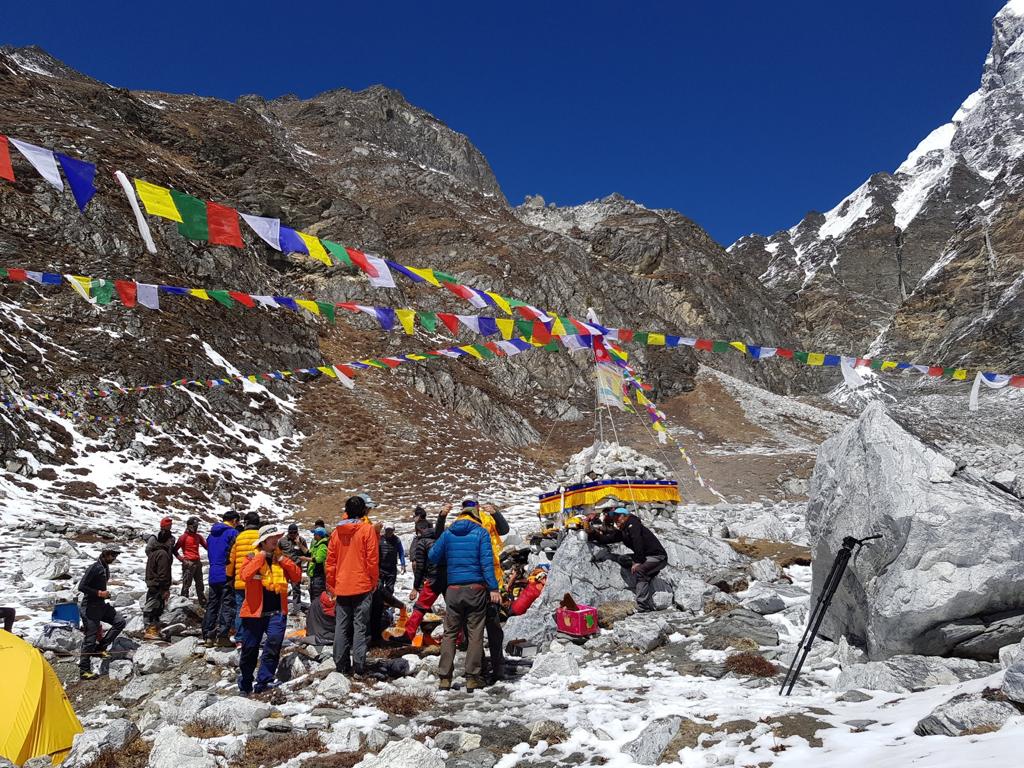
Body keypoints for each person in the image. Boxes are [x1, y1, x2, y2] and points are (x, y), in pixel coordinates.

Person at [428, 504, 499, 692]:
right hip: (476, 589)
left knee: (450, 633)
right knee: (475, 633)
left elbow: (433, 556)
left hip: (453, 589)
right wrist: (493, 588)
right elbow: (487, 563)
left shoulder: (449, 533)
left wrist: (450, 558)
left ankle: (444, 677)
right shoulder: (481, 533)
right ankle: (472, 677)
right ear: (476, 517)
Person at [237, 525, 302, 695]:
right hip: (253, 613)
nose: (276, 539)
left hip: (276, 612)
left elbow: (296, 576)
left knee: (273, 645)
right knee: (249, 649)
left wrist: (282, 560)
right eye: (273, 537)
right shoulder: (251, 557)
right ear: (264, 541)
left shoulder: (281, 559)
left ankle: (264, 681)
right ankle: (245, 683)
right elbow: (245, 575)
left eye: (278, 536)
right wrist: (261, 557)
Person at [325, 494, 379, 675]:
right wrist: (373, 581)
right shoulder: (367, 530)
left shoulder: (335, 533)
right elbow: (372, 560)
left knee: (341, 627)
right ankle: (359, 666)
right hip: (362, 585)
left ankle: (341, 665)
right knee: (360, 627)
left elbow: (330, 562)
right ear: (363, 511)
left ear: (346, 512)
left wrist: (331, 585)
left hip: (342, 586)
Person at [587, 507, 668, 612]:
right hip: (645, 556)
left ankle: (643, 606)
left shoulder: (633, 524)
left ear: (624, 516)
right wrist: (592, 533)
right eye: (614, 517)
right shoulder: (623, 530)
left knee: (640, 571)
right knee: (622, 559)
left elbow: (638, 542)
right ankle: (650, 572)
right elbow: (606, 539)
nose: (615, 520)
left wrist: (638, 562)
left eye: (617, 517)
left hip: (658, 557)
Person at [77, 547, 127, 680]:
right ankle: (84, 670)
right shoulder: (94, 568)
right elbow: (81, 586)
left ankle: (100, 648)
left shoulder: (105, 567)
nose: (114, 558)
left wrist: (104, 595)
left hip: (100, 605)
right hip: (89, 608)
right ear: (106, 555)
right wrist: (99, 593)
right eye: (113, 556)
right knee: (90, 638)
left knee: (120, 622)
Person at [401, 510, 448, 643]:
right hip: (449, 577)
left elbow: (420, 567)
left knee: (420, 607)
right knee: (453, 609)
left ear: (419, 530)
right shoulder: (443, 538)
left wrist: (416, 586)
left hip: (433, 579)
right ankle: (459, 637)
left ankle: (409, 634)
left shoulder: (422, 542)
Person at [203, 510, 240, 646]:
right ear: (234, 521)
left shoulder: (211, 535)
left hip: (213, 573)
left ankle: (208, 635)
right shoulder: (233, 533)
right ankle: (222, 636)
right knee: (227, 604)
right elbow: (233, 555)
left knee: (212, 605)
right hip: (226, 574)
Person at [226, 511, 262, 642]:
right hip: (258, 580)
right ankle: (254, 637)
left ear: (246, 523)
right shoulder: (261, 537)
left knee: (241, 609)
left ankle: (240, 638)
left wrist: (229, 577)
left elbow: (231, 559)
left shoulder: (239, 537)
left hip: (240, 579)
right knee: (256, 609)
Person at [143, 527, 173, 639]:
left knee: (152, 607)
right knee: (154, 609)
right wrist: (165, 589)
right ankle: (150, 631)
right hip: (158, 586)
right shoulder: (163, 554)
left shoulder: (153, 553)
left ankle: (152, 630)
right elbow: (163, 574)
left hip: (152, 584)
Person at [174, 516, 208, 605]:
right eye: (194, 526)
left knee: (200, 584)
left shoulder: (198, 536)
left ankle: (203, 602)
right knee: (186, 584)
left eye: (196, 526)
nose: (196, 528)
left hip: (197, 562)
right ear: (189, 526)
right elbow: (174, 550)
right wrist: (182, 560)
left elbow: (207, 546)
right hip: (188, 563)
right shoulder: (183, 537)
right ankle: (183, 602)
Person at [279, 524, 310, 607]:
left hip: (296, 567)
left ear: (297, 532)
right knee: (282, 586)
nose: (292, 534)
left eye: (294, 532)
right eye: (291, 532)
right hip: (284, 567)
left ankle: (296, 607)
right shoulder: (282, 541)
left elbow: (306, 553)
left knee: (296, 587)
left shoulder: (301, 540)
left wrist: (299, 544)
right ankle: (281, 605)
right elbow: (277, 552)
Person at [377, 526, 406, 596]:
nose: (389, 532)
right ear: (385, 530)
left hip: (391, 568)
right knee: (378, 587)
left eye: (391, 530)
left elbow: (401, 552)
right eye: (387, 530)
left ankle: (388, 605)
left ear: (393, 530)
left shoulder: (397, 540)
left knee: (390, 588)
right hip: (380, 568)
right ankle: (379, 604)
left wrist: (403, 564)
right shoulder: (379, 539)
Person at [307, 527, 329, 604]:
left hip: (319, 575)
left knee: (318, 594)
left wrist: (306, 559)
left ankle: (317, 612)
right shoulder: (317, 544)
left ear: (319, 535)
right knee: (313, 593)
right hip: (315, 574)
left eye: (315, 534)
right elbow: (309, 552)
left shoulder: (323, 545)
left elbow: (319, 559)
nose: (313, 536)